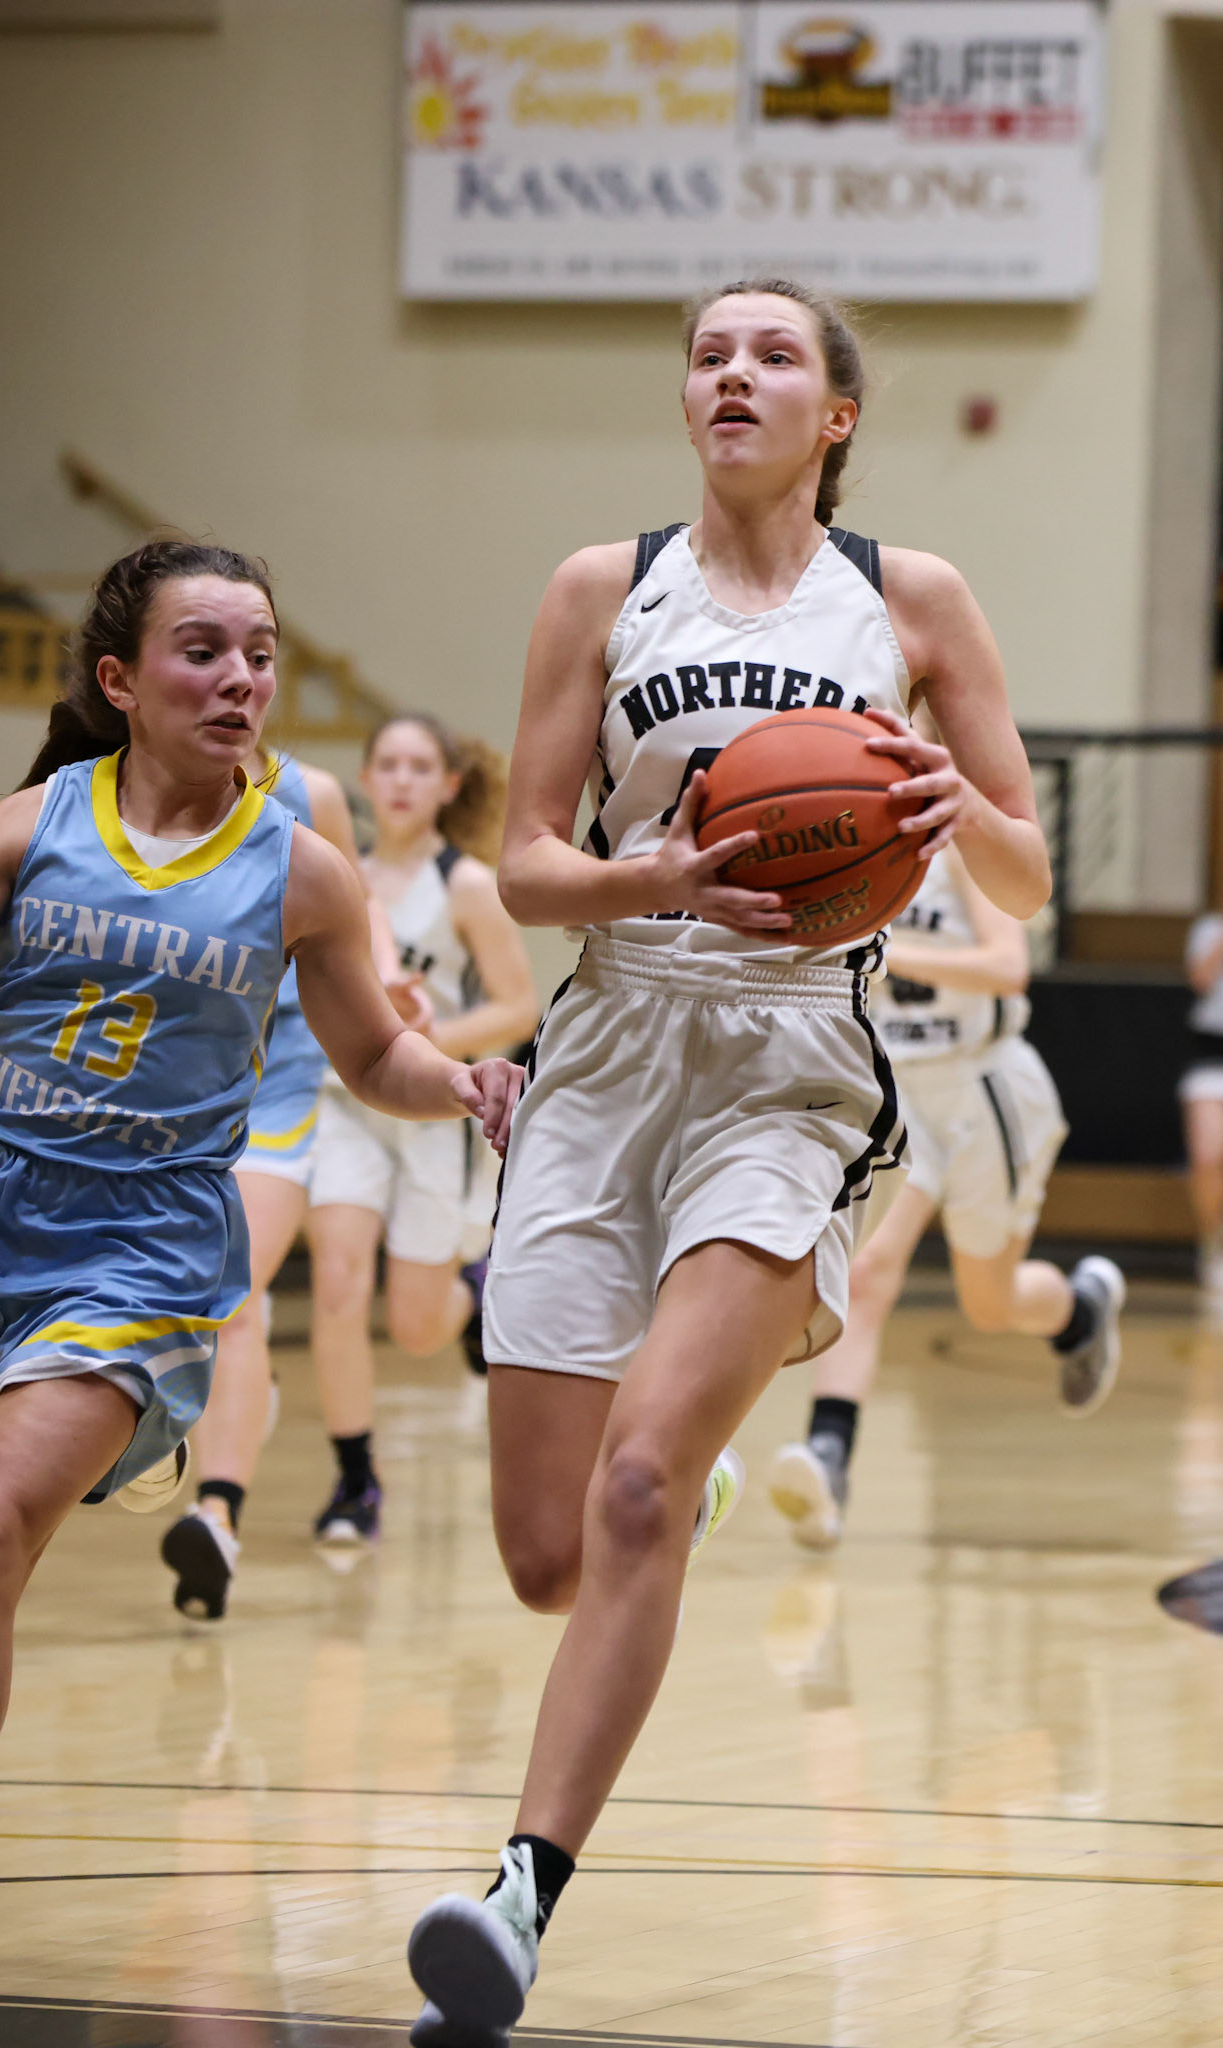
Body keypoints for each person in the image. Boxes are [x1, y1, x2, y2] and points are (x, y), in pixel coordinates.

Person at [403, 275, 1053, 2046]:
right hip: (610, 1037)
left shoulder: (907, 600)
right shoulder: (596, 589)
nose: (733, 372)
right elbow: (529, 861)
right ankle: (670, 1463)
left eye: (773, 353)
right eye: (709, 352)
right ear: (683, 400)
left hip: (792, 1056)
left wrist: (948, 801)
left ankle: (519, 1892)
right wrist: (646, 879)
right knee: (554, 1550)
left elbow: (1021, 878)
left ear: (833, 412)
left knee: (628, 1494)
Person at [0, 539, 521, 2022]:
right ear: (120, 681)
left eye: (262, 654)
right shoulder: (24, 828)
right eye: (204, 651)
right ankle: (138, 1466)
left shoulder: (302, 866)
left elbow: (368, 1055)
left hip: (142, 1250)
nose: (241, 680)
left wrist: (461, 1084)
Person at [768, 839, 1125, 1552]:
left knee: (989, 1302)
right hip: (897, 1088)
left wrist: (890, 954)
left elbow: (1008, 966)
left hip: (981, 1086)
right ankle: (828, 1458)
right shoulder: (852, 831)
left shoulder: (961, 840)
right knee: (864, 1272)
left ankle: (1081, 1314)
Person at [159, 744, 425, 1620]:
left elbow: (362, 906)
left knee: (268, 1292)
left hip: (300, 1076)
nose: (236, 680)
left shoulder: (311, 793)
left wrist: (384, 980)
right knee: (216, 1301)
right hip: (192, 1078)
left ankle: (226, 1511)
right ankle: (207, 1466)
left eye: (259, 657)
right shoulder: (130, 789)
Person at [305, 713, 540, 1546]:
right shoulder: (334, 877)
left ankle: (470, 1289)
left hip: (433, 1106)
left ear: (447, 785)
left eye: (419, 767)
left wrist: (428, 1047)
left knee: (412, 1325)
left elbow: (519, 1005)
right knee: (335, 1283)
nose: (401, 780)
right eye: (387, 764)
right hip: (343, 1105)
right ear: (364, 780)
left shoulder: (468, 885)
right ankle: (355, 1479)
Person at [1179, 913, 1223, 1302]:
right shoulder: (1210, 929)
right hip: (1212, 1054)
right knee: (1207, 1156)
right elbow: (1201, 979)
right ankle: (1212, 1245)